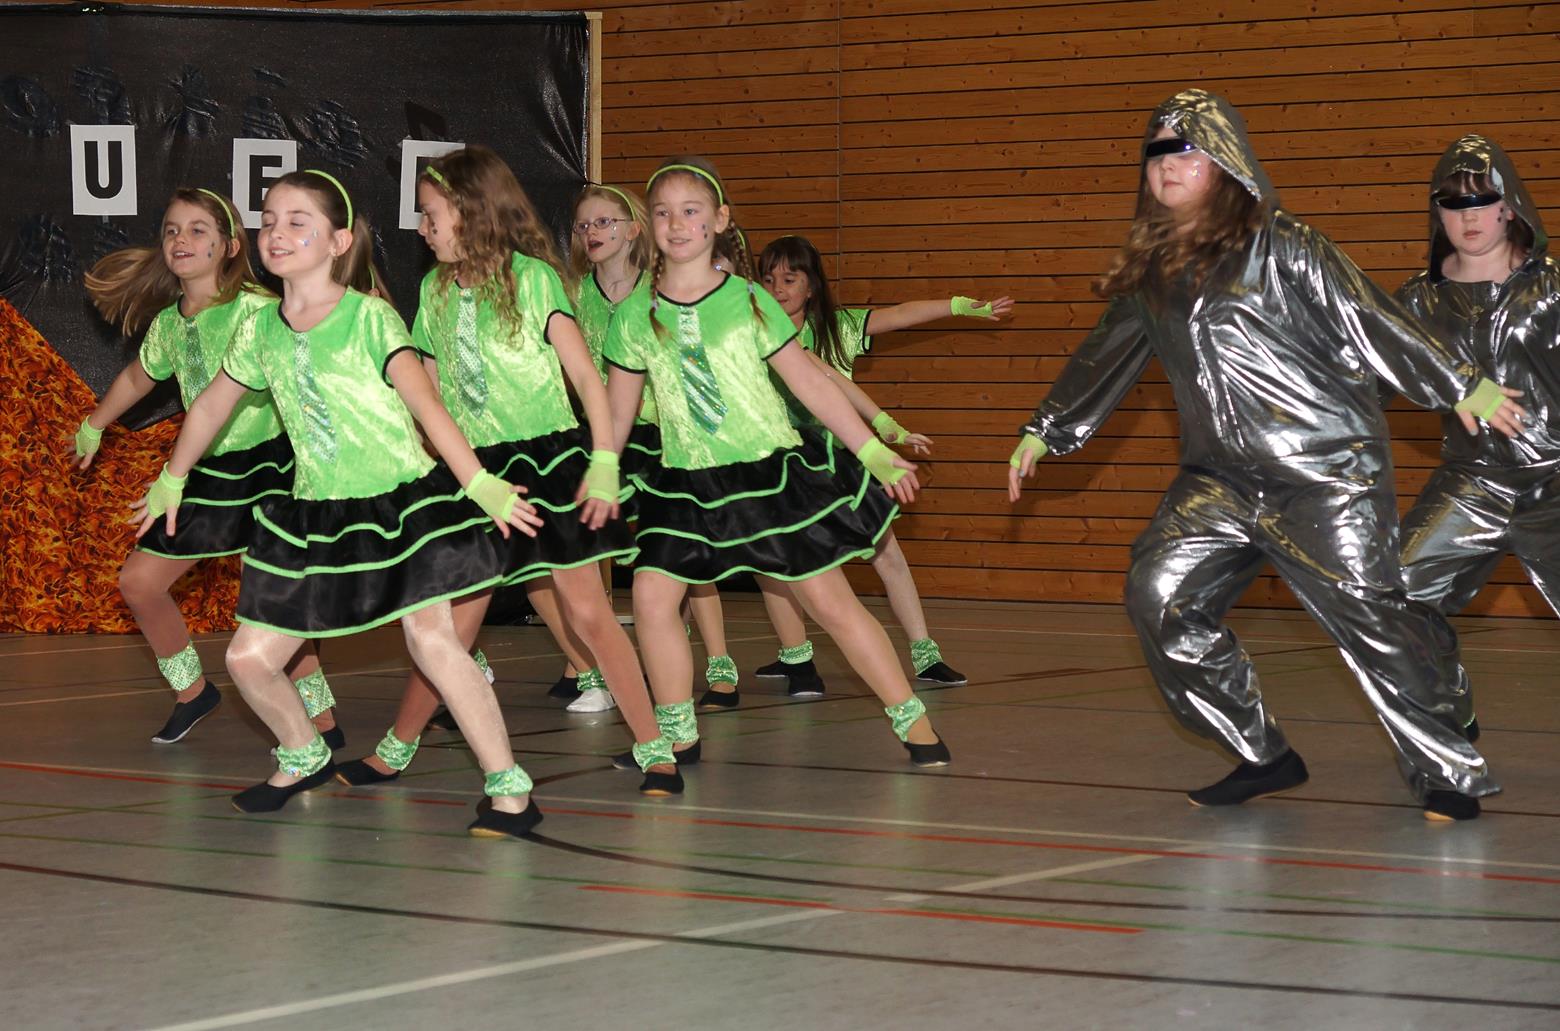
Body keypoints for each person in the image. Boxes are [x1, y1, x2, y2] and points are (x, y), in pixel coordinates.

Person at [1008, 90, 1525, 821]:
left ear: (1223, 162)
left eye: (1185, 149)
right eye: (1157, 152)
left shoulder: (1286, 244)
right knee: (1159, 594)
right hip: (1218, 478)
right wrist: (1046, 429)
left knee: (1374, 619)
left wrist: (1460, 383)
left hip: (1325, 472)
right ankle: (1261, 752)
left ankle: (1447, 769)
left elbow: (1369, 316)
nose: (1167, 164)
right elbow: (1106, 352)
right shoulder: (1154, 270)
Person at [134, 169, 545, 837]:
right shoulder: (261, 329)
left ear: (338, 241)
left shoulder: (369, 316)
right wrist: (173, 476)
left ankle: (510, 788)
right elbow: (209, 406)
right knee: (247, 660)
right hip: (317, 516)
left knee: (434, 641)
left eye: (299, 221)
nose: (278, 232)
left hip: (397, 506)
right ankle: (303, 752)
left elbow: (427, 406)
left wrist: (477, 483)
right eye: (270, 220)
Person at [602, 156, 951, 769]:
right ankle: (677, 736)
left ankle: (913, 721)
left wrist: (872, 449)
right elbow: (619, 408)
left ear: (719, 220)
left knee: (830, 604)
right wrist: (601, 469)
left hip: (766, 476)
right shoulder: (634, 315)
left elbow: (812, 383)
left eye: (690, 211)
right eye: (662, 213)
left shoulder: (749, 300)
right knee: (653, 599)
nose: (676, 224)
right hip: (684, 482)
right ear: (648, 225)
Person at [79, 187, 340, 746]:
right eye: (172, 230)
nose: (181, 240)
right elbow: (138, 377)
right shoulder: (169, 324)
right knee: (139, 582)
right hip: (205, 473)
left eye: (198, 230)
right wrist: (95, 424)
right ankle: (192, 692)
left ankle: (321, 718)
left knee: (273, 599)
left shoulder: (257, 310)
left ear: (229, 246)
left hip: (271, 469)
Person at [733, 233, 1013, 701]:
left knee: (887, 553)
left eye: (790, 279)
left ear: (811, 286)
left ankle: (925, 653)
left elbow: (902, 314)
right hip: (776, 462)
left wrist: (959, 306)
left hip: (840, 456)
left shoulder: (837, 328)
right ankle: (795, 655)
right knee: (776, 562)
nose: (778, 288)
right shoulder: (750, 333)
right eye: (769, 279)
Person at [1396, 134, 1560, 742]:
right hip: (1471, 483)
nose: (1468, 216)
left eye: (1482, 200)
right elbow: (1363, 376)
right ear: (1436, 212)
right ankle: (1449, 710)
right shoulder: (1417, 300)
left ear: (1508, 206)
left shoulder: (1552, 291)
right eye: (1453, 203)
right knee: (1398, 593)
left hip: (1555, 480)